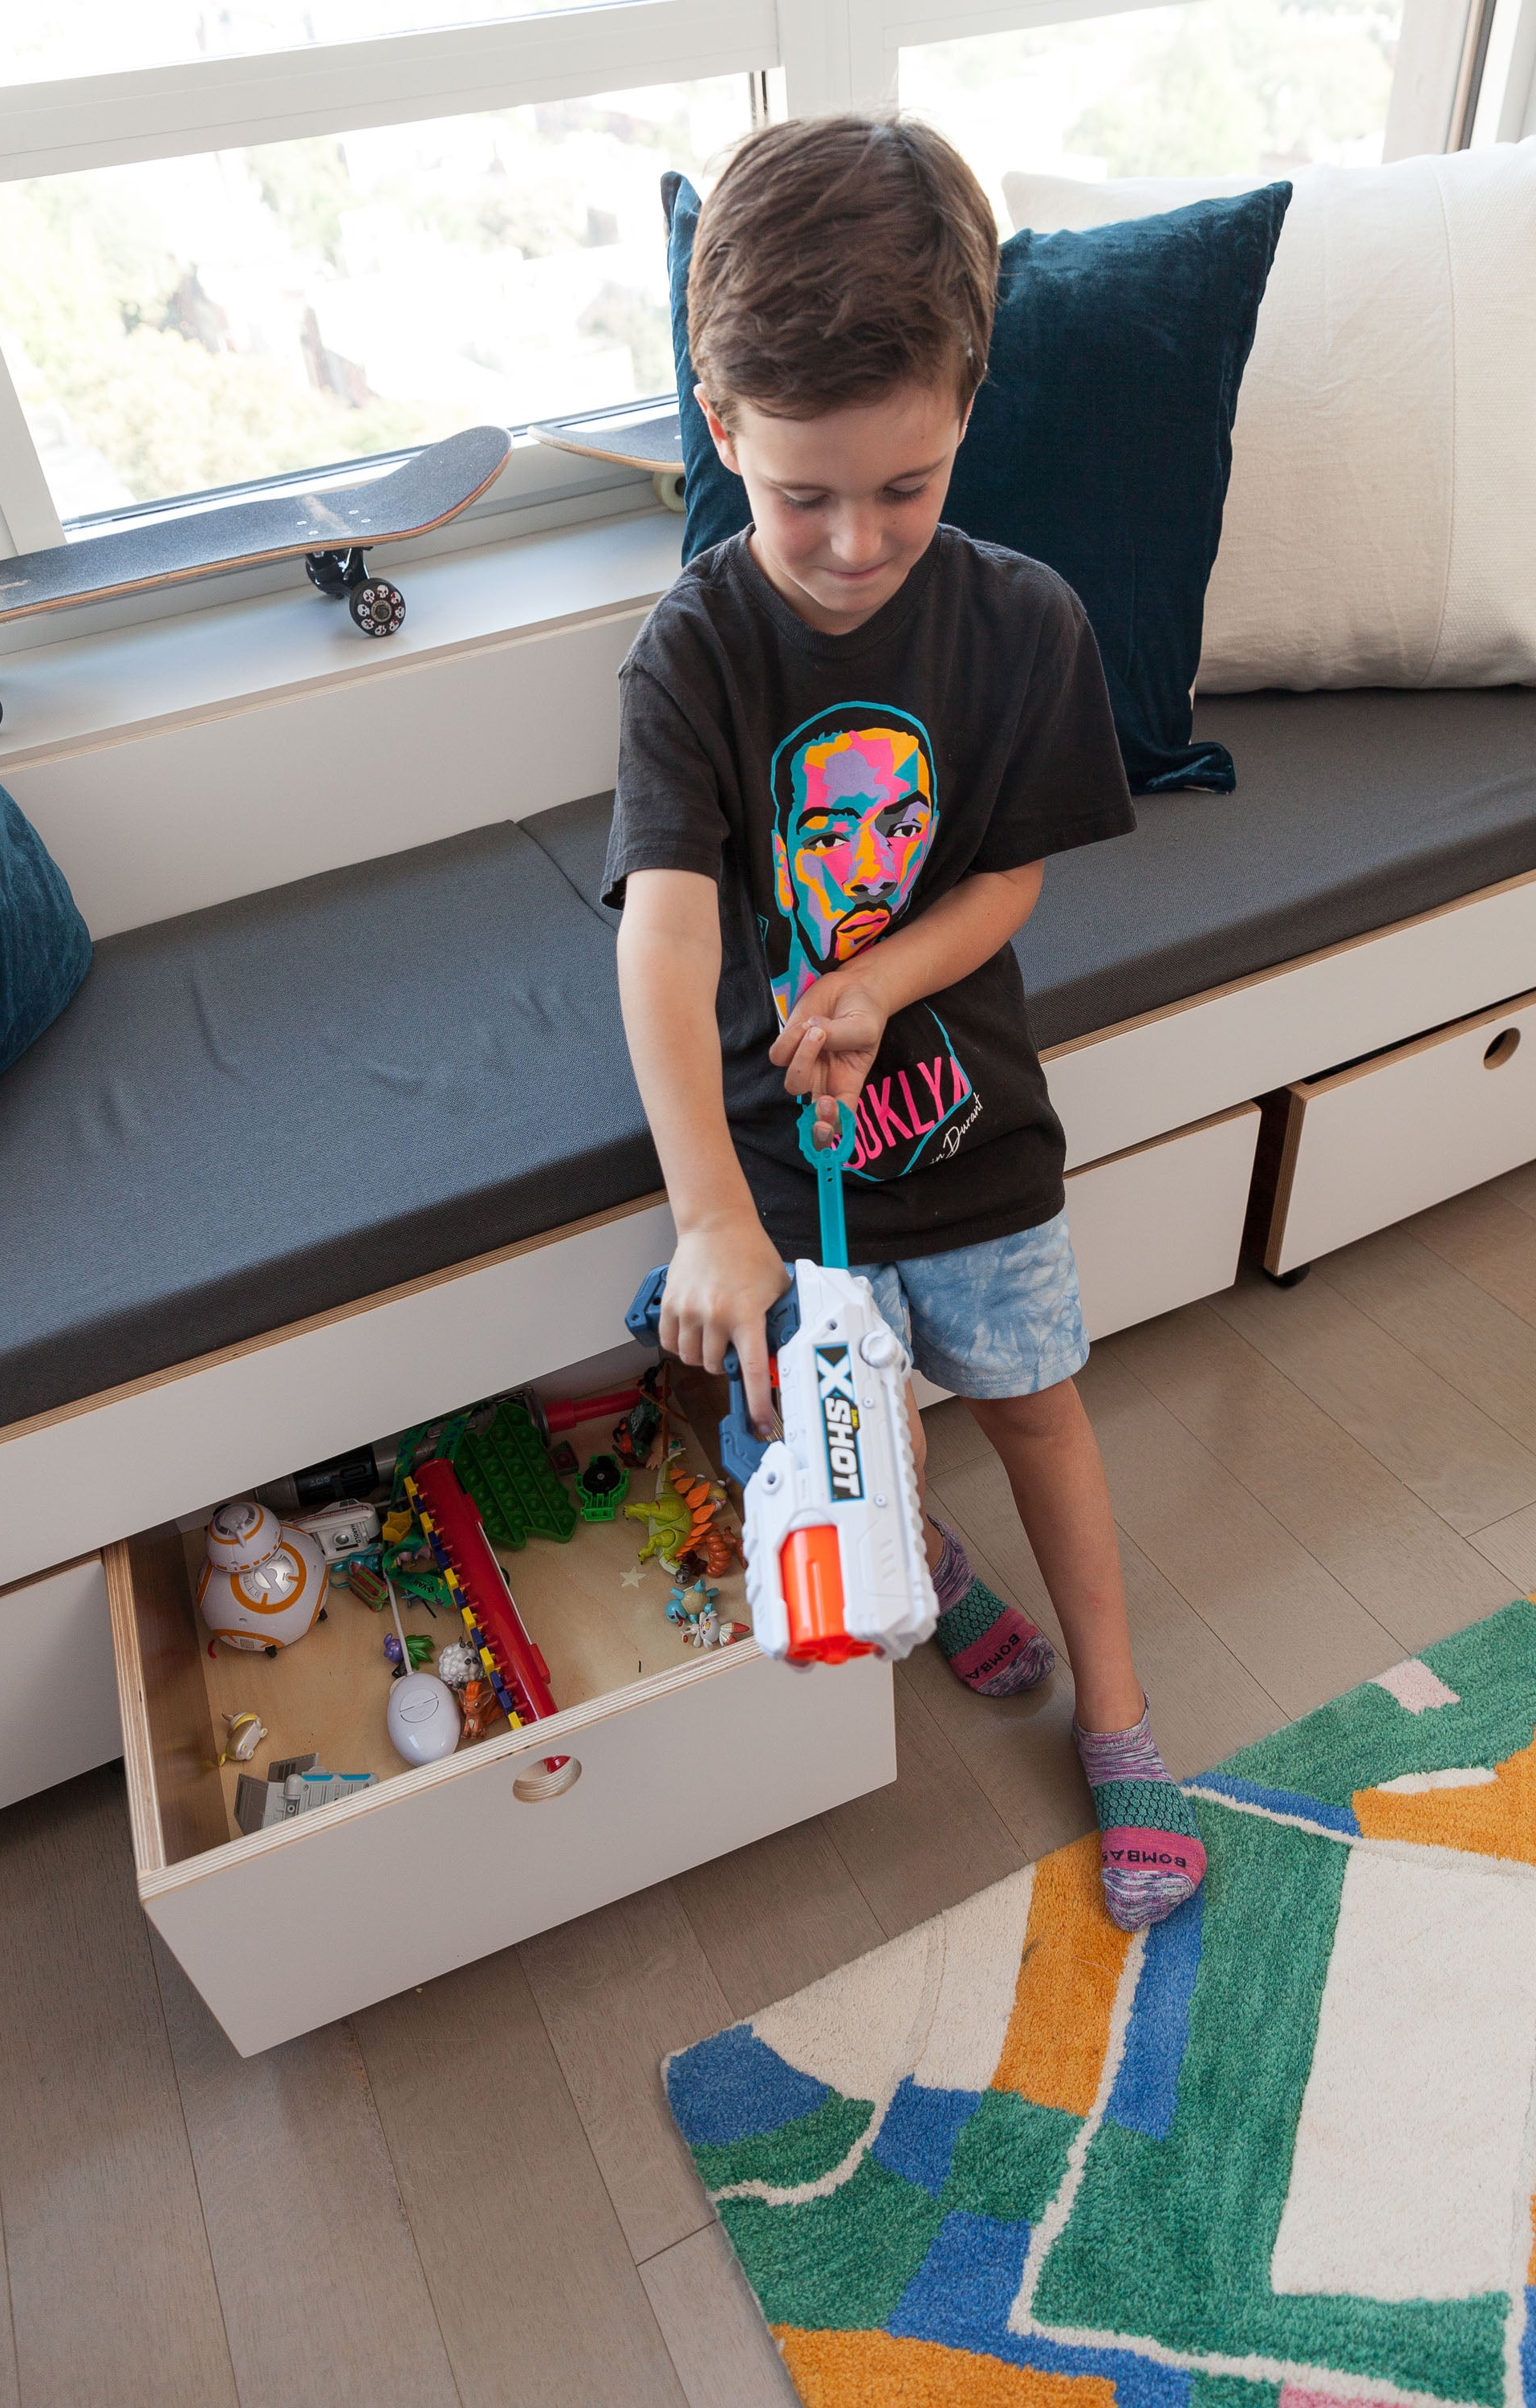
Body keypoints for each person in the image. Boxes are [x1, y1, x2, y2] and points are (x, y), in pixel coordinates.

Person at [603, 112, 1205, 1931]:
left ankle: (1118, 1722)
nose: (854, 546)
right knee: (817, 1431)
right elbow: (662, 930)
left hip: (976, 1148)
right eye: (802, 495)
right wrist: (712, 1205)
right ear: (723, 431)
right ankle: (920, 1559)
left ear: (964, 408)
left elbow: (1008, 880)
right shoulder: (690, 656)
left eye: (907, 485)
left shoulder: (1023, 626)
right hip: (782, 1188)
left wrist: (875, 977)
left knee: (1036, 1414)